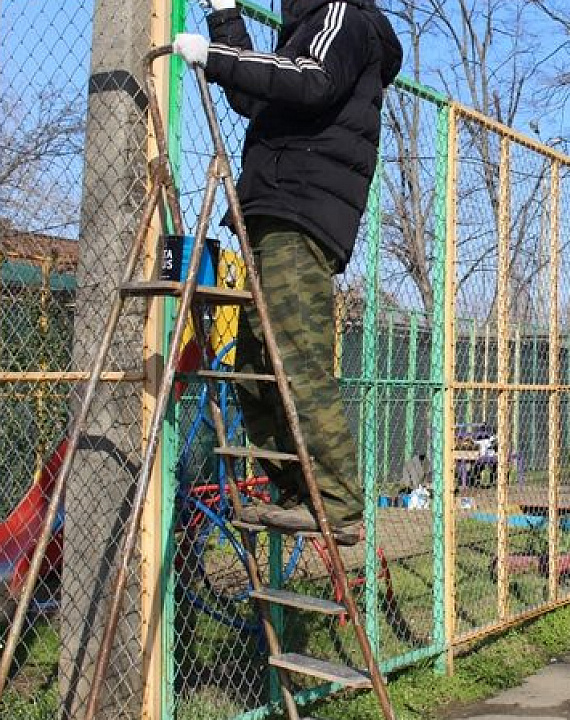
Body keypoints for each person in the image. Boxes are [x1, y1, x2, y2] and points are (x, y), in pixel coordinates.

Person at [172, 0, 404, 542]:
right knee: (255, 372)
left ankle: (341, 503)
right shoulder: (302, 29)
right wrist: (225, 21)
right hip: (268, 211)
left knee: (296, 361)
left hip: (302, 213)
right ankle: (301, 490)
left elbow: (313, 81)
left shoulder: (344, 19)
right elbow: (255, 95)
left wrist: (216, 57)